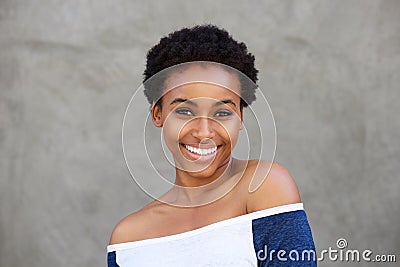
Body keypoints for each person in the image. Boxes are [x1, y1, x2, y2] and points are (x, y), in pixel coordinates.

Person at [107, 24, 316, 266]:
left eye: (222, 113)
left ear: (240, 118)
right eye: (184, 111)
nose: (204, 132)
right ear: (158, 114)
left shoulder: (264, 188)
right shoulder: (128, 238)